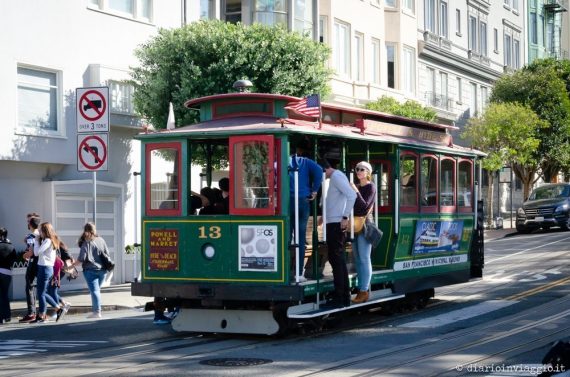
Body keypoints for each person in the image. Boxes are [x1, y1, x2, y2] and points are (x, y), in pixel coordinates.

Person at [320, 159, 357, 308]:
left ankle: (341, 296)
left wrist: (345, 216)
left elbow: (352, 195)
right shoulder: (336, 177)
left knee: (337, 259)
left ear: (324, 169)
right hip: (333, 222)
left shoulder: (336, 177)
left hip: (336, 224)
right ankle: (343, 296)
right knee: (337, 259)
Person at [289, 142, 323, 281]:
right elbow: (320, 171)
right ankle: (299, 273)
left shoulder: (278, 162)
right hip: (303, 200)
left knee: (285, 236)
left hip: (286, 201)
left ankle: (284, 272)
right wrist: (314, 190)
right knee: (300, 237)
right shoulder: (304, 161)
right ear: (297, 151)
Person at [349, 161, 377, 304]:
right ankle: (361, 288)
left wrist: (355, 190)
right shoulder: (358, 187)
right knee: (358, 258)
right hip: (354, 224)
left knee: (365, 258)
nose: (358, 171)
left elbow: (365, 206)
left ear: (368, 173)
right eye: (357, 169)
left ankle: (364, 290)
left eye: (361, 169)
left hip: (365, 225)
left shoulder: (371, 187)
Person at [30, 222, 66, 323]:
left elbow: (37, 252)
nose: (39, 232)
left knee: (41, 293)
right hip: (47, 268)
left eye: (41, 230)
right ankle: (41, 315)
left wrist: (36, 241)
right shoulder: (51, 240)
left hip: (44, 268)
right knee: (42, 293)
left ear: (45, 231)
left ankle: (57, 309)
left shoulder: (47, 241)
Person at [75, 222, 109, 319]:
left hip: (90, 270)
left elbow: (81, 258)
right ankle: (96, 310)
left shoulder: (86, 242)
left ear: (85, 231)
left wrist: (71, 266)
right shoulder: (101, 240)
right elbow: (107, 253)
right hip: (103, 270)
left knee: (95, 291)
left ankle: (97, 312)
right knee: (96, 291)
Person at [19, 214, 40, 323]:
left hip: (33, 262)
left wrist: (25, 255)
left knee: (29, 287)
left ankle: (31, 313)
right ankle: (39, 312)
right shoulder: (40, 234)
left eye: (28, 221)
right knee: (38, 287)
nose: (27, 223)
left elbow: (31, 251)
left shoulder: (31, 236)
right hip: (40, 263)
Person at [0, 228, 17, 324]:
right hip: (7, 272)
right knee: (5, 295)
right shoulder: (11, 246)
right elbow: (14, 258)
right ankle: (7, 316)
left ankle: (1, 317)